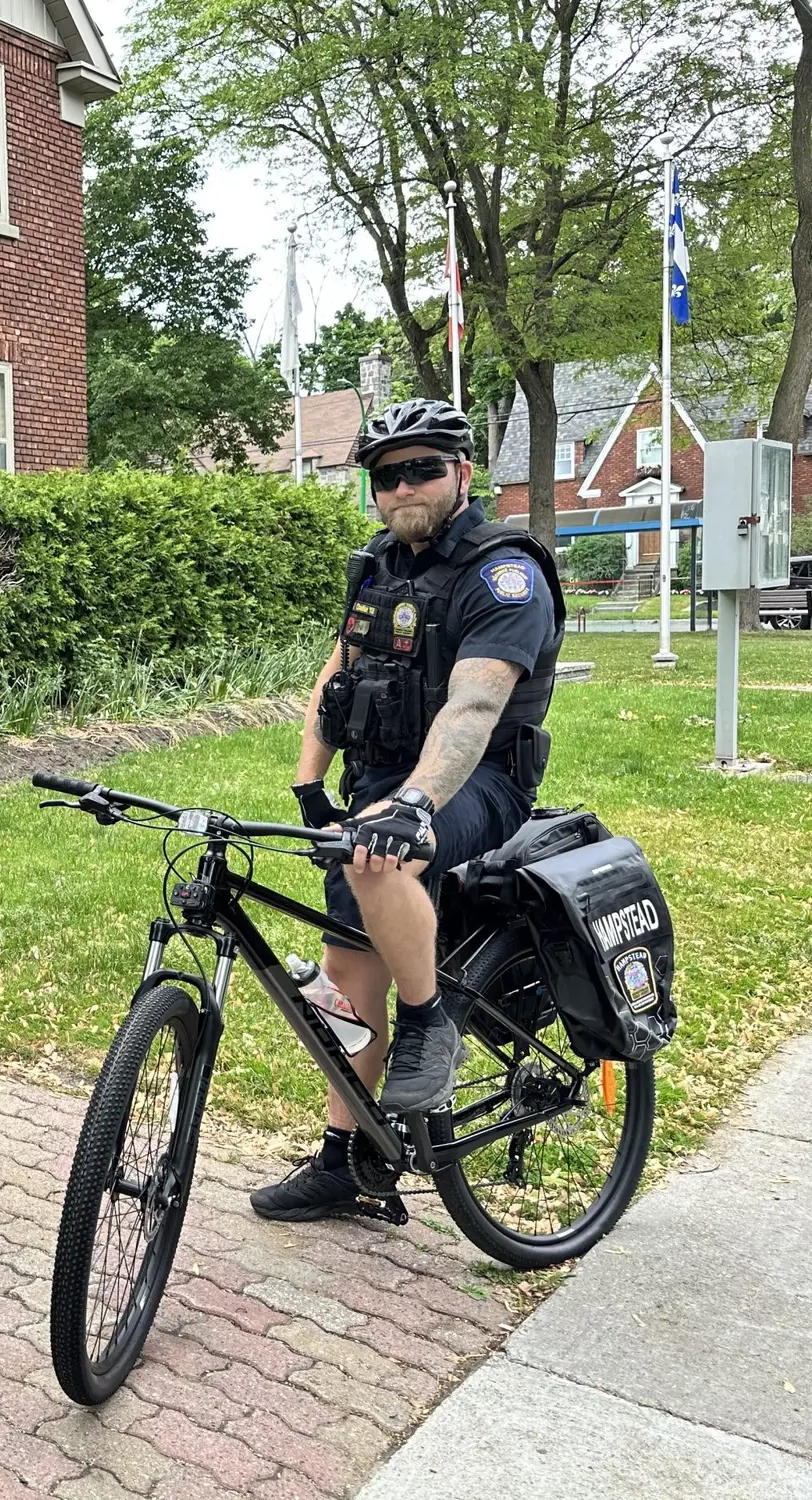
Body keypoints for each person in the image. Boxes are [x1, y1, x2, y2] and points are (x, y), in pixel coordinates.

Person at [251, 398, 564, 1222]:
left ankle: (429, 1025)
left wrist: (414, 805)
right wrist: (310, 786)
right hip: (378, 785)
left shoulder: (504, 574)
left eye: (422, 469)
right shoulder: (378, 567)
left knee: (382, 857)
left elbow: (473, 708)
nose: (402, 488)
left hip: (479, 780)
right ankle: (347, 1162)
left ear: (463, 472)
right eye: (387, 476)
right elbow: (337, 676)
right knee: (348, 979)